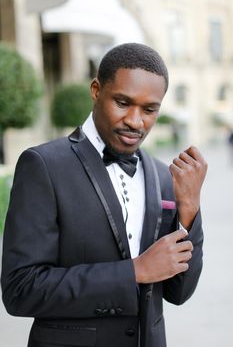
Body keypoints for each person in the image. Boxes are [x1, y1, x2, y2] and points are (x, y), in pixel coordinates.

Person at [1, 43, 207, 347]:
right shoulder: (43, 165)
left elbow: (179, 293)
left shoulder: (164, 176)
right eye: (123, 102)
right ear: (96, 90)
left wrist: (189, 210)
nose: (136, 122)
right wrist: (133, 272)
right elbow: (21, 291)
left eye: (149, 110)